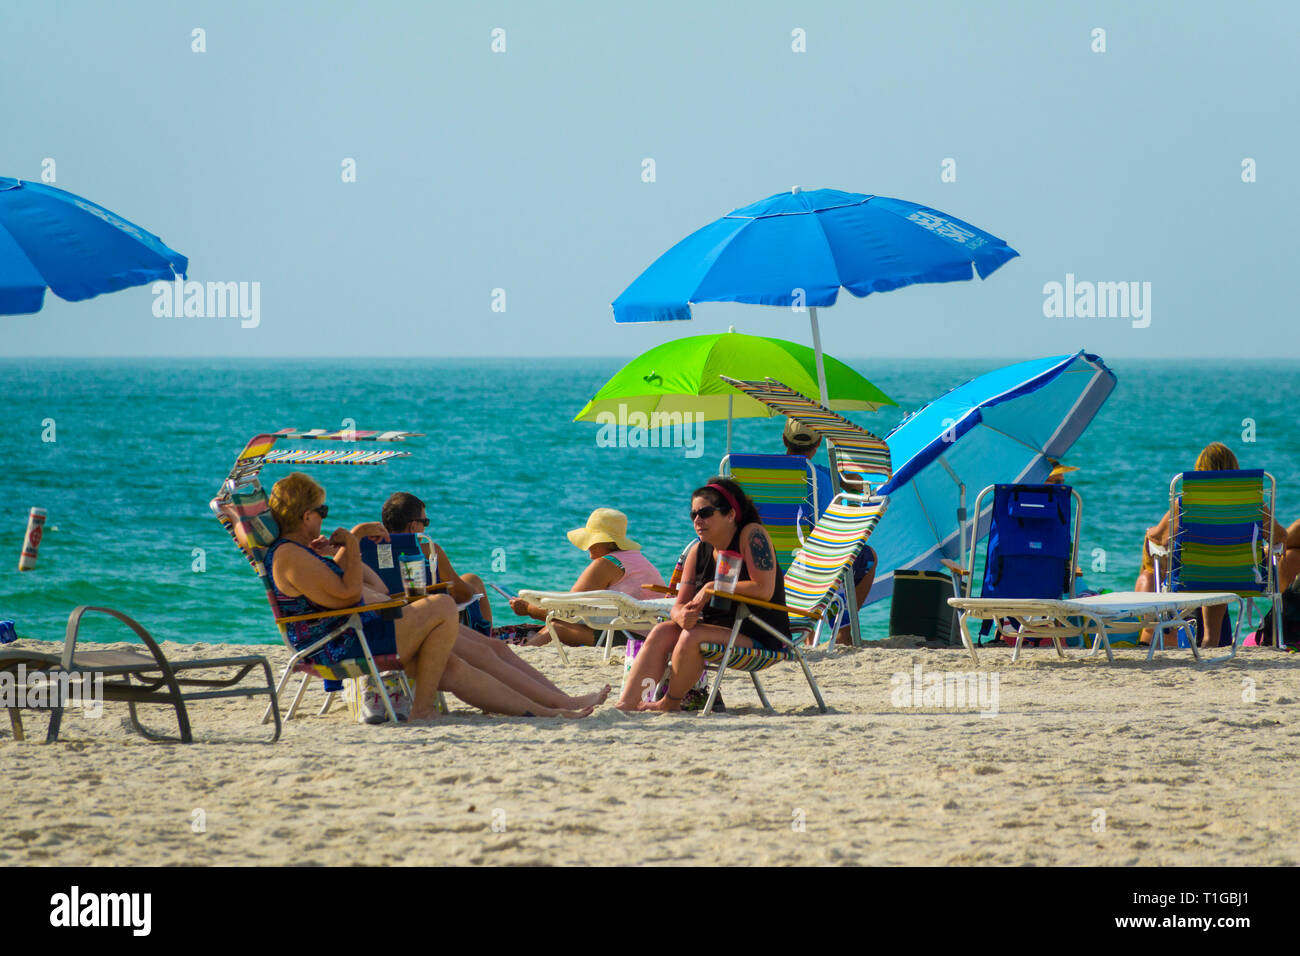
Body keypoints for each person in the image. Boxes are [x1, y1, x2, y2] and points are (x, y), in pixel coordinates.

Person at [267, 473, 599, 721]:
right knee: (441, 605)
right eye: (321, 510)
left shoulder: (299, 553)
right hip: (341, 643)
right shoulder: (289, 556)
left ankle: (554, 706)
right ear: (305, 515)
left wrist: (346, 547)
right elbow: (347, 593)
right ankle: (424, 708)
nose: (324, 516)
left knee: (476, 655)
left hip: (358, 630)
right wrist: (353, 545)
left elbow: (368, 588)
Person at [615, 477, 789, 712]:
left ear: (730, 514)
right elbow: (679, 605)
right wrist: (681, 616)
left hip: (761, 635)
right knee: (662, 631)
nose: (698, 520)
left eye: (705, 513)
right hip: (718, 631)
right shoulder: (698, 550)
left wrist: (711, 587)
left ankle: (670, 703)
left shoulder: (752, 535)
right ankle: (627, 704)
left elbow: (764, 590)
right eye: (693, 514)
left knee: (691, 637)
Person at [1134, 443, 1288, 648]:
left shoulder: (1186, 503)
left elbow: (1160, 539)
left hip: (1194, 576)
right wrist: (1267, 549)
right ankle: (1211, 640)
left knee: (1206, 570)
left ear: (1200, 471)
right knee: (1221, 568)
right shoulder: (1253, 503)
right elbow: (1278, 536)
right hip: (1240, 575)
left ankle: (1166, 635)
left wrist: (1149, 532)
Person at [509, 509, 666, 647]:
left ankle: (524, 655)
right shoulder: (636, 559)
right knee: (561, 623)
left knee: (557, 626)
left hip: (631, 638)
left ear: (598, 541)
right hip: (653, 634)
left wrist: (528, 609)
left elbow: (566, 612)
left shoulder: (606, 564)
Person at [782, 418, 875, 643]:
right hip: (812, 561)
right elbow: (861, 487)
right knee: (868, 557)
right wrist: (839, 448)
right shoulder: (821, 474)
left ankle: (808, 635)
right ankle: (842, 631)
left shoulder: (763, 474)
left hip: (770, 559)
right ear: (818, 443)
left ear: (784, 439)